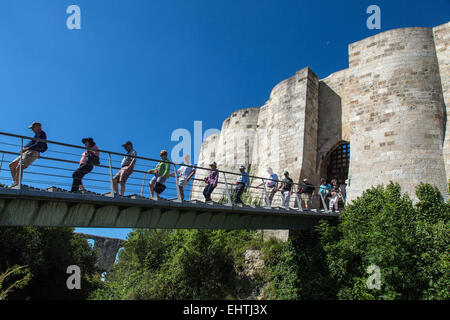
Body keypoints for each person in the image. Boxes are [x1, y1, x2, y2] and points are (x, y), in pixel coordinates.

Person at [9, 122, 48, 188]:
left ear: (38, 127)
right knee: (12, 165)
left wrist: (30, 149)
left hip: (32, 152)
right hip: (27, 152)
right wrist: (25, 148)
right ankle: (15, 182)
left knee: (20, 167)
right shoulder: (37, 135)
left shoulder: (42, 134)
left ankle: (17, 184)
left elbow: (40, 144)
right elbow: (43, 146)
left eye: (33, 128)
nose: (32, 129)